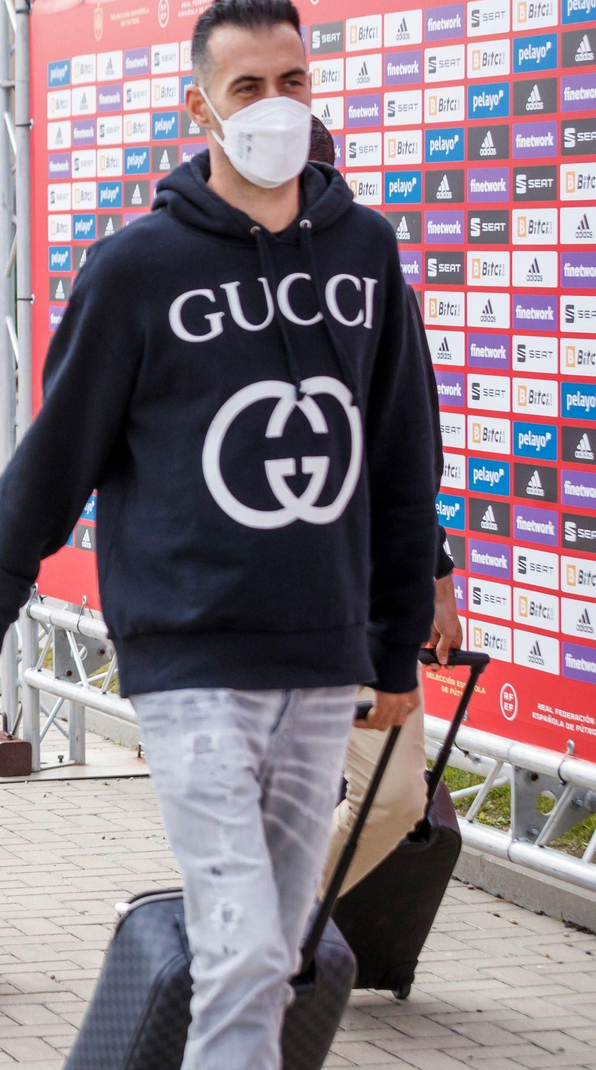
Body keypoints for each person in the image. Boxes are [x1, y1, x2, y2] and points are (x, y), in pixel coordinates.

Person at [0, 0, 436, 1070]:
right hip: (189, 654)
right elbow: (52, 464)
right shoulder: (139, 268)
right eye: (246, 86)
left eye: (291, 81)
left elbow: (397, 455)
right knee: (243, 951)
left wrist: (392, 645)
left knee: (276, 956)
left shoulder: (365, 254)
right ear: (195, 104)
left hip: (321, 656)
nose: (274, 106)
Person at [305, 116, 466, 895]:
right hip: (244, 609)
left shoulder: (379, 290)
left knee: (393, 796)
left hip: (362, 602)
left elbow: (409, 459)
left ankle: (287, 924)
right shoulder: (198, 291)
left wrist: (434, 580)